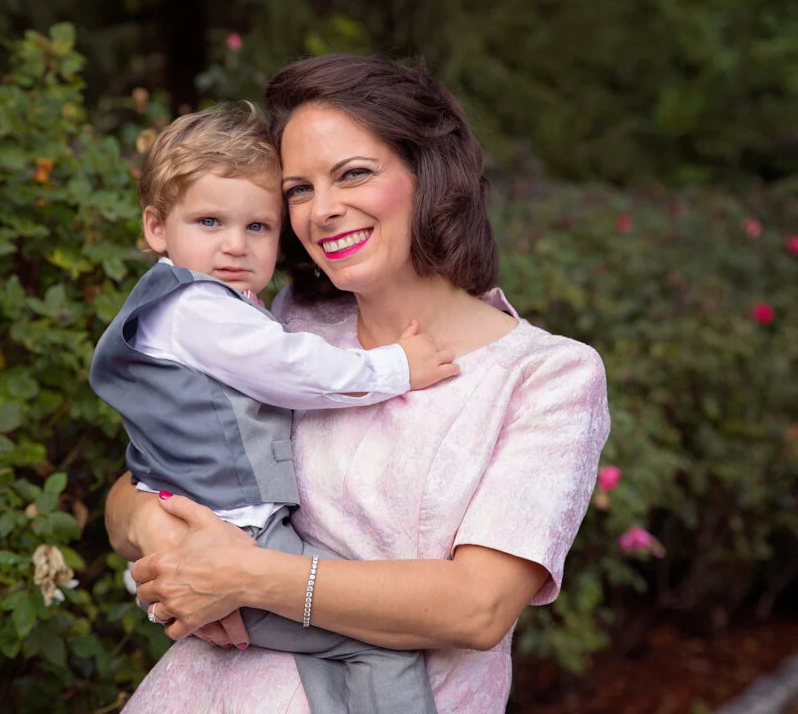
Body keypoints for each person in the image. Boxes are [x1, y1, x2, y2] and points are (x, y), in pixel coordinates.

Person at [105, 54, 611, 713]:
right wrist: (161, 536)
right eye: (298, 190)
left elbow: (478, 608)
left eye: (353, 174)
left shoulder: (547, 375)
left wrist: (246, 575)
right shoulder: (283, 324)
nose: (323, 210)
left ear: (430, 174)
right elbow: (135, 488)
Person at [89, 102, 459, 714]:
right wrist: (397, 367)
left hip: (225, 534)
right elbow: (293, 369)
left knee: (332, 644)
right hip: (234, 535)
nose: (235, 245)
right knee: (382, 643)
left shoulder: (213, 305)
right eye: (209, 221)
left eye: (258, 227)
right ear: (156, 227)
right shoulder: (196, 309)